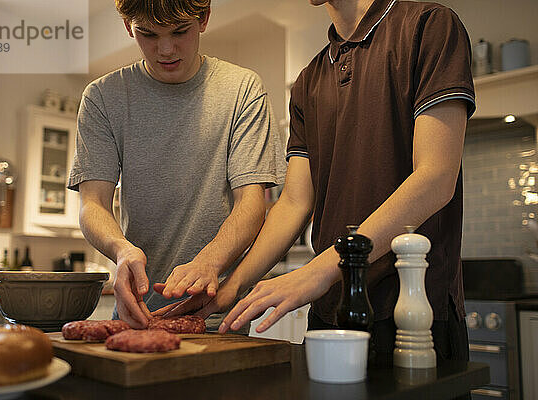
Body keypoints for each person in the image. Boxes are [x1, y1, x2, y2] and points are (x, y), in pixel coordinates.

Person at [157, 0, 475, 368]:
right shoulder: (309, 80)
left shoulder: (428, 26)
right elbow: (293, 203)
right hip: (330, 314)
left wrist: (316, 272)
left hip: (415, 314)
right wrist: (230, 288)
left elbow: (435, 178)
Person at [67, 0, 285, 330]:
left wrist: (210, 260)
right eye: (148, 34)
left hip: (216, 316)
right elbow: (92, 204)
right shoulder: (103, 97)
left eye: (179, 31)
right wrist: (122, 251)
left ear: (204, 19)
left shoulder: (242, 89)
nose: (166, 49)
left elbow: (251, 203)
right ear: (129, 27)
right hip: (136, 313)